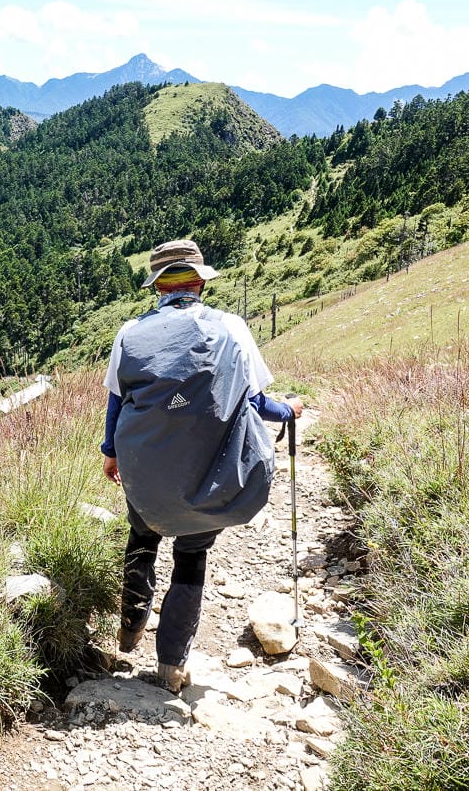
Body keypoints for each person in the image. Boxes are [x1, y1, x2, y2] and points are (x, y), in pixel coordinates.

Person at [101, 239, 303, 692]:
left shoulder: (129, 333)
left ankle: (130, 630)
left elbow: (117, 403)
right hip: (208, 472)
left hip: (145, 472)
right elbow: (256, 403)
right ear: (199, 282)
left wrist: (111, 452)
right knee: (191, 556)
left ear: (158, 287)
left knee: (142, 538)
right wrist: (289, 410)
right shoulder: (231, 328)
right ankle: (171, 666)